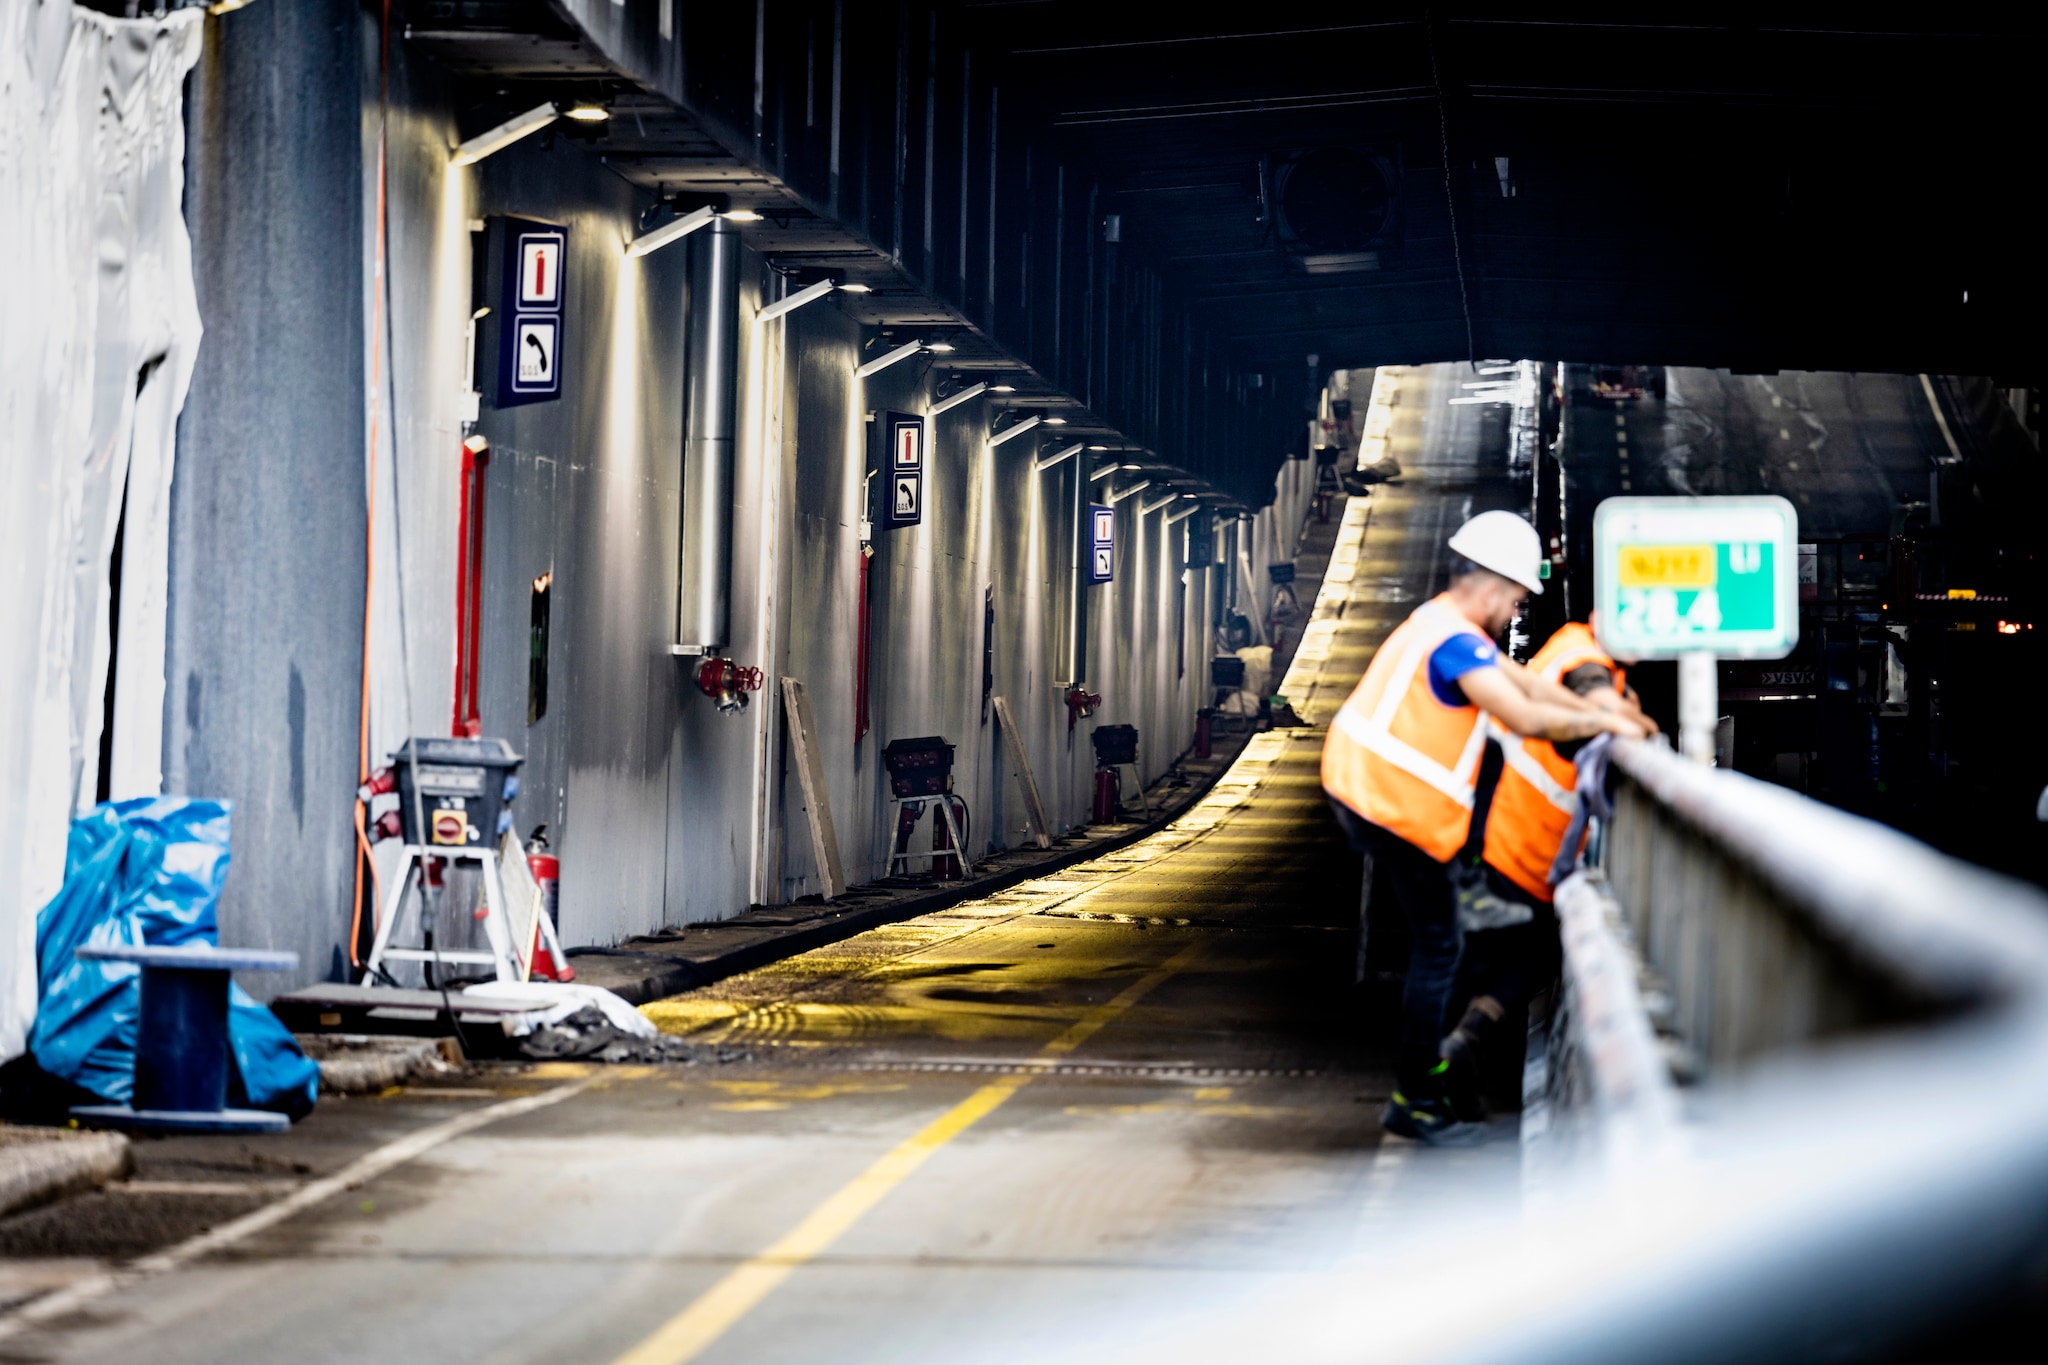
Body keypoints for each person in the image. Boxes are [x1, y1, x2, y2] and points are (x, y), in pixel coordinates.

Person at [1322, 512, 1648, 1144]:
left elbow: (1524, 681)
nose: (1516, 610)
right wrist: (1606, 724)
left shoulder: (1442, 626)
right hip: (1384, 803)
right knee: (1440, 949)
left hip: (1372, 798)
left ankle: (1467, 904)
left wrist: (1598, 714)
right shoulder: (1456, 641)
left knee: (1443, 939)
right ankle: (1416, 1098)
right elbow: (1522, 712)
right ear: (1493, 585)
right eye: (1518, 597)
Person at [1437, 616, 1647, 1100]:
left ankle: (1455, 1069)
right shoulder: (1584, 661)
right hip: (1516, 845)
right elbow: (1600, 704)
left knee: (1501, 959)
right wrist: (1636, 720)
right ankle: (1445, 1078)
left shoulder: (1578, 648)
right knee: (1513, 957)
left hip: (1511, 843)